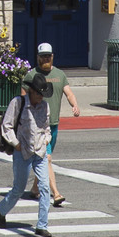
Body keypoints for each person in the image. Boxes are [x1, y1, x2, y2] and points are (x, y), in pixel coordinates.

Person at [0, 71, 54, 236]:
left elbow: (46, 128)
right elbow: (7, 126)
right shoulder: (18, 103)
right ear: (31, 91)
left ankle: (42, 225)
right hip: (23, 152)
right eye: (39, 93)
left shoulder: (45, 106)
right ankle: (1, 209)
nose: (41, 97)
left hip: (40, 152)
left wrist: (47, 139)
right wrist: (16, 144)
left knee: (45, 187)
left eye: (43, 94)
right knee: (19, 189)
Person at [31, 41, 84, 206]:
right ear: (38, 58)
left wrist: (74, 105)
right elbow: (23, 99)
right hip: (37, 126)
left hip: (53, 124)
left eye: (48, 55)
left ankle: (34, 189)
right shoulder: (31, 75)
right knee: (47, 159)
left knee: (44, 159)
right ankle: (56, 193)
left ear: (52, 56)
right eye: (43, 56)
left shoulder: (60, 75)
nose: (46, 58)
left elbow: (68, 92)